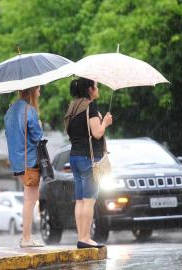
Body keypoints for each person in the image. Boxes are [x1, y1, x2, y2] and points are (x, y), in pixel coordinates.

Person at [64, 77, 112, 248]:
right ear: (90, 89)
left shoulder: (73, 106)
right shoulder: (90, 106)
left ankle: (81, 237)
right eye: (96, 86)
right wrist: (105, 123)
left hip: (74, 157)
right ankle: (85, 238)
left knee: (80, 200)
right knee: (89, 200)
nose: (98, 89)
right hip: (88, 159)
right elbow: (97, 133)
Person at [4, 86, 44, 248]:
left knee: (29, 198)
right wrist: (40, 124)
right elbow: (37, 136)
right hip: (30, 160)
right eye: (39, 89)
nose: (40, 93)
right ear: (33, 90)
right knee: (30, 200)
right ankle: (26, 238)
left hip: (17, 161)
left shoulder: (10, 111)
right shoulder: (30, 110)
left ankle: (27, 236)